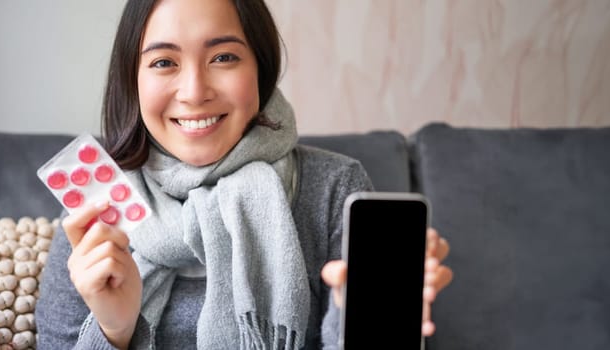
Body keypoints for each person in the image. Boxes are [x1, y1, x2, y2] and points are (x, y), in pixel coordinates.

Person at [35, 0, 454, 348]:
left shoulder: (332, 188)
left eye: (223, 57)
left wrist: (356, 323)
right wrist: (114, 329)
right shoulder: (96, 209)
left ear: (261, 68)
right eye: (164, 62)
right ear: (134, 80)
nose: (195, 91)